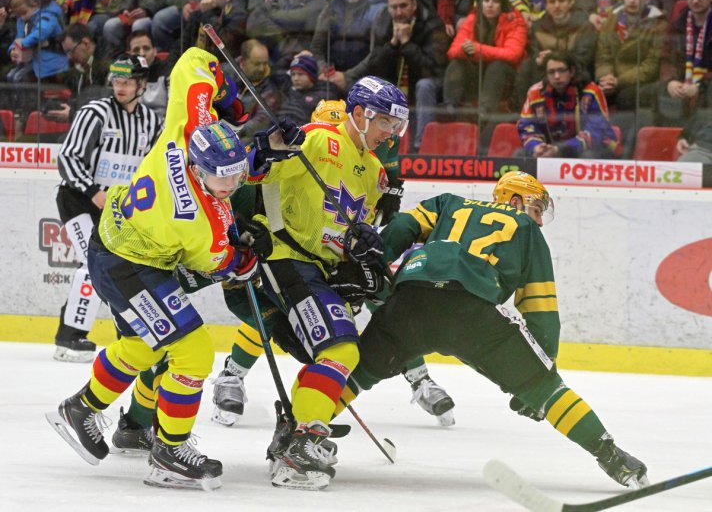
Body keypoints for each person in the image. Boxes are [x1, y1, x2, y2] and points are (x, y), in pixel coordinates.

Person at [330, 171, 650, 491]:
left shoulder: (447, 203)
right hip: (471, 311)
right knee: (545, 389)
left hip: (411, 301)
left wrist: (367, 269)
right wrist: (540, 371)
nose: (539, 220)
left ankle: (306, 427)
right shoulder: (525, 229)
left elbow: (401, 227)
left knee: (355, 373)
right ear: (515, 201)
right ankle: (612, 458)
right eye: (536, 209)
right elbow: (540, 308)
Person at [47, 46, 260, 491]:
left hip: (118, 247)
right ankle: (170, 452)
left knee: (144, 345)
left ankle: (81, 408)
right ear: (199, 170)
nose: (231, 184)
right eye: (222, 176)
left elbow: (193, 62)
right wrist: (245, 257)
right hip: (129, 266)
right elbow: (218, 261)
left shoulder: (183, 131)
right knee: (194, 350)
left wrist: (221, 91)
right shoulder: (199, 219)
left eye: (236, 173)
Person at [244, 76, 408, 491]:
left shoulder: (375, 171)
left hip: (321, 269)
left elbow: (350, 231)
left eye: (396, 125)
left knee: (336, 353)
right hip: (286, 255)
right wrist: (270, 148)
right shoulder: (317, 139)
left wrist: (361, 247)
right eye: (386, 122)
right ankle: (303, 443)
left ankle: (293, 434)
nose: (391, 133)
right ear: (360, 114)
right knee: (339, 349)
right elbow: (253, 172)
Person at [53, 54, 162, 363]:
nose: (120, 87)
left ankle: (127, 334)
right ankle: (69, 338)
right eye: (116, 81)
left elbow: (153, 167)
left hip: (117, 209)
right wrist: (93, 191)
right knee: (92, 265)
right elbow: (68, 158)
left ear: (142, 85)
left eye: (127, 81)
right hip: (78, 199)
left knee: (120, 270)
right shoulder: (95, 113)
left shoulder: (153, 122)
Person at [349, 0, 449, 152]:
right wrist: (393, 44)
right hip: (395, 85)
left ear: (414, 5)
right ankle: (376, 146)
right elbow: (374, 67)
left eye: (403, 6)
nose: (399, 12)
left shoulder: (432, 24)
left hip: (428, 86)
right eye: (394, 7)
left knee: (424, 86)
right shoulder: (383, 23)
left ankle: (420, 147)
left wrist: (407, 44)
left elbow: (431, 68)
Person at [442, 0, 527, 122]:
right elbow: (452, 52)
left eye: (495, 1)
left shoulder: (515, 21)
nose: (490, 5)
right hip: (478, 75)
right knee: (457, 63)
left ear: (503, 4)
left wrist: (479, 50)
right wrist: (465, 50)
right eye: (486, 0)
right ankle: (449, 108)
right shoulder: (472, 20)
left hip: (506, 78)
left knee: (497, 66)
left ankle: (484, 112)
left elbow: (513, 54)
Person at [513, 0, 597, 109]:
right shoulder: (538, 27)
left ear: (570, 3)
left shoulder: (585, 25)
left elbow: (583, 59)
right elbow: (535, 55)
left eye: (561, 0)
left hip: (574, 72)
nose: (557, 6)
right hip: (546, 72)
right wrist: (539, 59)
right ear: (546, 6)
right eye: (552, 2)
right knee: (527, 67)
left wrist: (553, 58)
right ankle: (528, 111)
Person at [517, 51, 618, 158]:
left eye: (561, 70)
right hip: (551, 149)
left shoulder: (591, 92)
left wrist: (559, 149)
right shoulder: (535, 93)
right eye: (551, 72)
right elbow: (526, 126)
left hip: (593, 148)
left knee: (588, 156)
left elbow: (596, 133)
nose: (557, 76)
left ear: (572, 71)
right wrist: (536, 147)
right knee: (520, 154)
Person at [595, 0, 667, 111]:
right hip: (611, 79)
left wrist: (618, 81)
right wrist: (605, 77)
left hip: (639, 83)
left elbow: (651, 66)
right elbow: (603, 55)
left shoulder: (659, 23)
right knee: (590, 93)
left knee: (625, 97)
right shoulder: (613, 18)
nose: (632, 0)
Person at [310, 0, 387, 92]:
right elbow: (317, 48)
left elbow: (375, 54)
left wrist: (346, 76)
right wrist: (324, 71)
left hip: (366, 77)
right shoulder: (330, 9)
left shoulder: (379, 9)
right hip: (332, 75)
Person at [245, 0, 328, 79]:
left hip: (306, 67)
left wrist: (273, 17)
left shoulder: (322, 5)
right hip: (273, 66)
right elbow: (253, 24)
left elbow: (300, 19)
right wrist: (283, 35)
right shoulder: (276, 3)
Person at [658, 0, 712, 126]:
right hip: (683, 82)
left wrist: (700, 85)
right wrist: (670, 81)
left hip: (707, 84)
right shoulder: (677, 25)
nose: (695, 0)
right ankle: (672, 137)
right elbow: (666, 59)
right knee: (658, 91)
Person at [127, 29, 171, 119]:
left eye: (146, 48)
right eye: (136, 50)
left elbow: (174, 112)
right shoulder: (124, 77)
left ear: (155, 51)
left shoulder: (168, 74)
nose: (142, 54)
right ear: (129, 55)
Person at [276, 54, 330, 125]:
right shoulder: (287, 87)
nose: (296, 78)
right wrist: (293, 55)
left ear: (311, 76)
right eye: (293, 74)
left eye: (300, 74)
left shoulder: (324, 94)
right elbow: (276, 70)